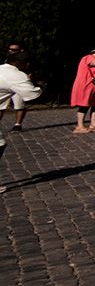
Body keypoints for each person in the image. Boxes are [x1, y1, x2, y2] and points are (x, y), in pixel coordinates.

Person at [0, 50, 42, 190]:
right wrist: (31, 80)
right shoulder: (16, 75)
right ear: (25, 64)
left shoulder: (2, 68)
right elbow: (32, 95)